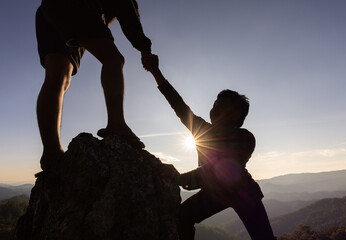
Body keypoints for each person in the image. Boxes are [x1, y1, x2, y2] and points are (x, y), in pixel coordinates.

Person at [144, 55, 276, 240]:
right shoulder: (202, 130)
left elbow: (220, 169)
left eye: (222, 107)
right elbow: (179, 105)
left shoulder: (244, 138)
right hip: (216, 192)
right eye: (214, 104)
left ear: (237, 116)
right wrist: (156, 72)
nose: (215, 109)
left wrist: (180, 178)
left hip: (242, 191)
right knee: (182, 216)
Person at [35, 0, 152, 174]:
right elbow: (129, 15)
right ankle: (116, 123)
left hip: (48, 9)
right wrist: (145, 49)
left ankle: (51, 152)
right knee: (113, 59)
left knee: (57, 78)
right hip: (78, 6)